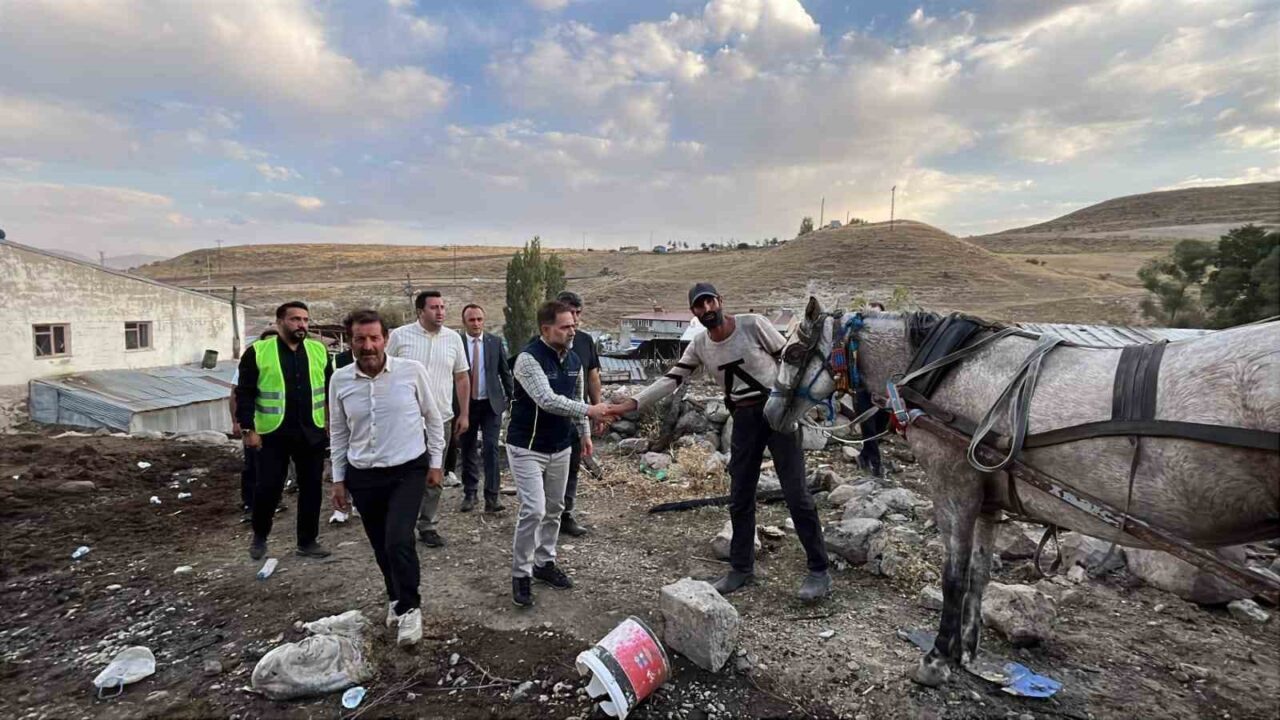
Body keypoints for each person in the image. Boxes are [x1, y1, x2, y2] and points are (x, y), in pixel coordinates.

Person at [606, 283, 832, 601]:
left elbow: (788, 361)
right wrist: (632, 403)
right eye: (700, 306)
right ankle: (741, 569)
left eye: (710, 302)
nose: (707, 309)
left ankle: (818, 570)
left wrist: (806, 398)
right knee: (740, 495)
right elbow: (672, 378)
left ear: (720, 302)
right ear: (694, 313)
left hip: (777, 412)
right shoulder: (700, 344)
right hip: (743, 417)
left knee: (796, 494)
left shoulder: (753, 324)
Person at [329, 309, 445, 647]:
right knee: (381, 545)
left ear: (386, 339)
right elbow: (337, 431)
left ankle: (411, 609)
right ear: (349, 341)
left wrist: (436, 464)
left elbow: (433, 418)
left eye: (374, 338)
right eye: (360, 339)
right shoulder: (340, 379)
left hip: (407, 470)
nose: (367, 346)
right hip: (363, 475)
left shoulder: (411, 372)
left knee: (398, 539)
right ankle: (395, 598)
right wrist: (338, 479)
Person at [507, 301, 612, 607]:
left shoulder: (575, 359)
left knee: (555, 508)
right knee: (534, 509)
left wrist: (585, 434)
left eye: (574, 325)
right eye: (565, 326)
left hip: (560, 446)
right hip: (526, 446)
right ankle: (521, 574)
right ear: (546, 329)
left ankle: (544, 563)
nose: (572, 330)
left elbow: (575, 397)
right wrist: (592, 410)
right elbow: (547, 399)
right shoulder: (528, 360)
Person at [235, 302, 333, 561]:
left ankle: (307, 541)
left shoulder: (318, 350)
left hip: (310, 431)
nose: (301, 325)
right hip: (272, 433)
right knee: (268, 487)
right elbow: (244, 392)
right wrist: (248, 428)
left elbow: (332, 391)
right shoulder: (258, 352)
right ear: (279, 322)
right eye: (295, 320)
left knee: (311, 488)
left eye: (305, 320)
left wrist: (332, 423)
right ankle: (260, 536)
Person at [387, 290, 470, 548]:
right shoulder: (400, 336)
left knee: (435, 474)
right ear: (420, 311)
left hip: (441, 418)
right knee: (402, 474)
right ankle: (400, 526)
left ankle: (428, 525)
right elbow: (384, 372)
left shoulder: (453, 338)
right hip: (405, 420)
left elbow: (461, 377)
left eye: (443, 307)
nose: (440, 311)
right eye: (434, 307)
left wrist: (464, 413)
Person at [553, 291, 601, 537]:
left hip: (578, 416)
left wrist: (597, 410)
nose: (576, 319)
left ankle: (566, 515)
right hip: (549, 419)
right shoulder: (540, 344)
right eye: (571, 313)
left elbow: (592, 375)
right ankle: (545, 515)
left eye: (578, 313)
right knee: (548, 471)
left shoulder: (584, 341)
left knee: (572, 468)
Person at [458, 303, 513, 514]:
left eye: (479, 319)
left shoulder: (494, 342)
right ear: (465, 322)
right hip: (466, 405)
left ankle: (492, 496)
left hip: (491, 404)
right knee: (468, 447)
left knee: (490, 448)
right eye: (471, 320)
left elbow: (504, 372)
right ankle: (470, 492)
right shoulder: (457, 343)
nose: (476, 324)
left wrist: (513, 398)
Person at [231, 328, 278, 516]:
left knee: (273, 468)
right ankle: (250, 504)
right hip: (256, 426)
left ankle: (273, 502)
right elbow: (236, 395)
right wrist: (239, 423)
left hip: (276, 427)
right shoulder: (251, 362)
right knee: (252, 466)